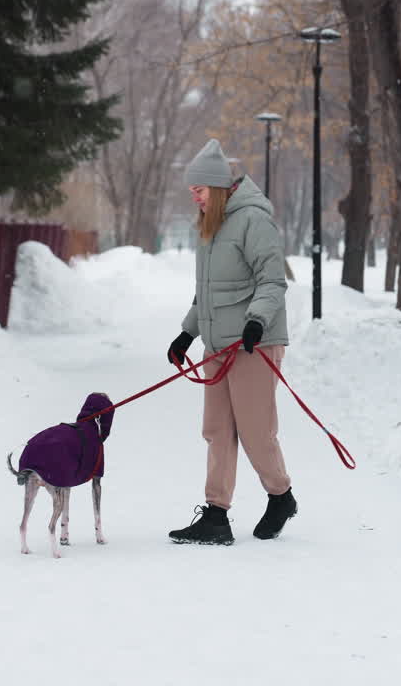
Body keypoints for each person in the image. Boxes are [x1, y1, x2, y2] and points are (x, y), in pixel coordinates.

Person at [166, 138, 295, 545]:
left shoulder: (253, 221)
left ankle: (281, 496)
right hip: (218, 345)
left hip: (254, 344)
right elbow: (205, 291)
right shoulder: (209, 226)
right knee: (217, 430)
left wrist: (256, 321)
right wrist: (188, 332)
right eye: (192, 191)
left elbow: (272, 281)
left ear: (218, 188)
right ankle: (216, 515)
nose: (194, 196)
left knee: (256, 431)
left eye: (199, 190)